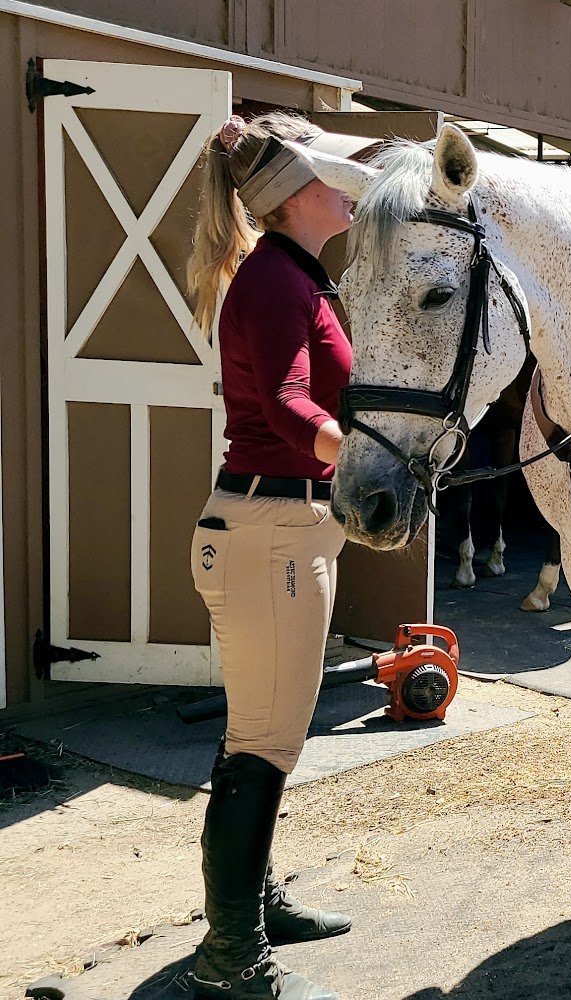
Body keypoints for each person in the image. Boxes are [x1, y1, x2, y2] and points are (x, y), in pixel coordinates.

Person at [184, 112, 372, 1000]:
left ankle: (253, 909)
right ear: (297, 194)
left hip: (286, 531)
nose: (349, 187)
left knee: (265, 738)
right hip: (271, 533)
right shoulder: (271, 281)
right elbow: (290, 409)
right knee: (262, 743)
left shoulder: (295, 273)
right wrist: (370, 459)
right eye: (334, 175)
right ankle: (231, 959)